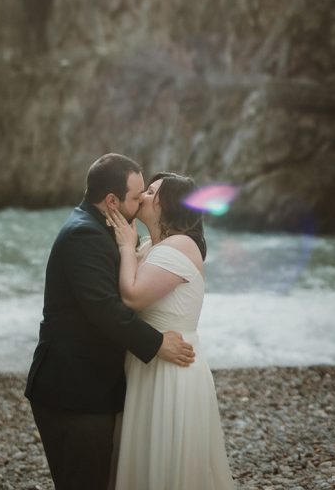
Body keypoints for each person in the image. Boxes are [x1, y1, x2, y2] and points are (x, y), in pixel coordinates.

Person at [25, 153, 195, 490]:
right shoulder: (83, 235)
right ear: (112, 200)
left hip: (88, 388)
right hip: (73, 392)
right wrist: (158, 343)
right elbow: (103, 308)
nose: (143, 200)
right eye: (137, 196)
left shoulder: (101, 228)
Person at [108, 171, 236, 490]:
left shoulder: (179, 245)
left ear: (167, 204)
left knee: (166, 461)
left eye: (150, 192)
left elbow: (133, 295)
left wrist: (126, 246)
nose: (142, 196)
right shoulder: (156, 244)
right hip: (151, 359)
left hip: (171, 369)